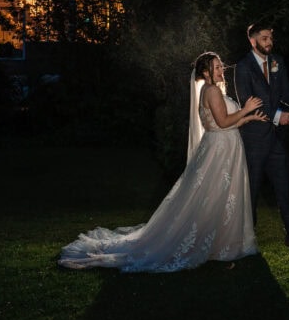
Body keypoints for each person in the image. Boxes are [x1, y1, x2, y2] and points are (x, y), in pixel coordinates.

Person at [58, 52, 268, 272]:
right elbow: (223, 122)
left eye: (220, 66)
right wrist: (245, 109)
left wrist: (248, 117)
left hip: (224, 147)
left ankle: (219, 244)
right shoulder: (212, 90)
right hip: (220, 151)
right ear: (206, 72)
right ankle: (214, 246)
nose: (220, 70)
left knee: (219, 197)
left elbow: (224, 124)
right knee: (214, 197)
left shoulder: (211, 90)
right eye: (216, 67)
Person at [234, 22, 289, 252]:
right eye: (264, 38)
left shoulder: (277, 62)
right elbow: (247, 105)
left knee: (284, 188)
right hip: (253, 140)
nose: (269, 42)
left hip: (276, 141)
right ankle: (246, 240)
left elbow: (286, 94)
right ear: (252, 40)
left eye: (271, 37)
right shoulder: (243, 67)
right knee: (250, 191)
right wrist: (277, 116)